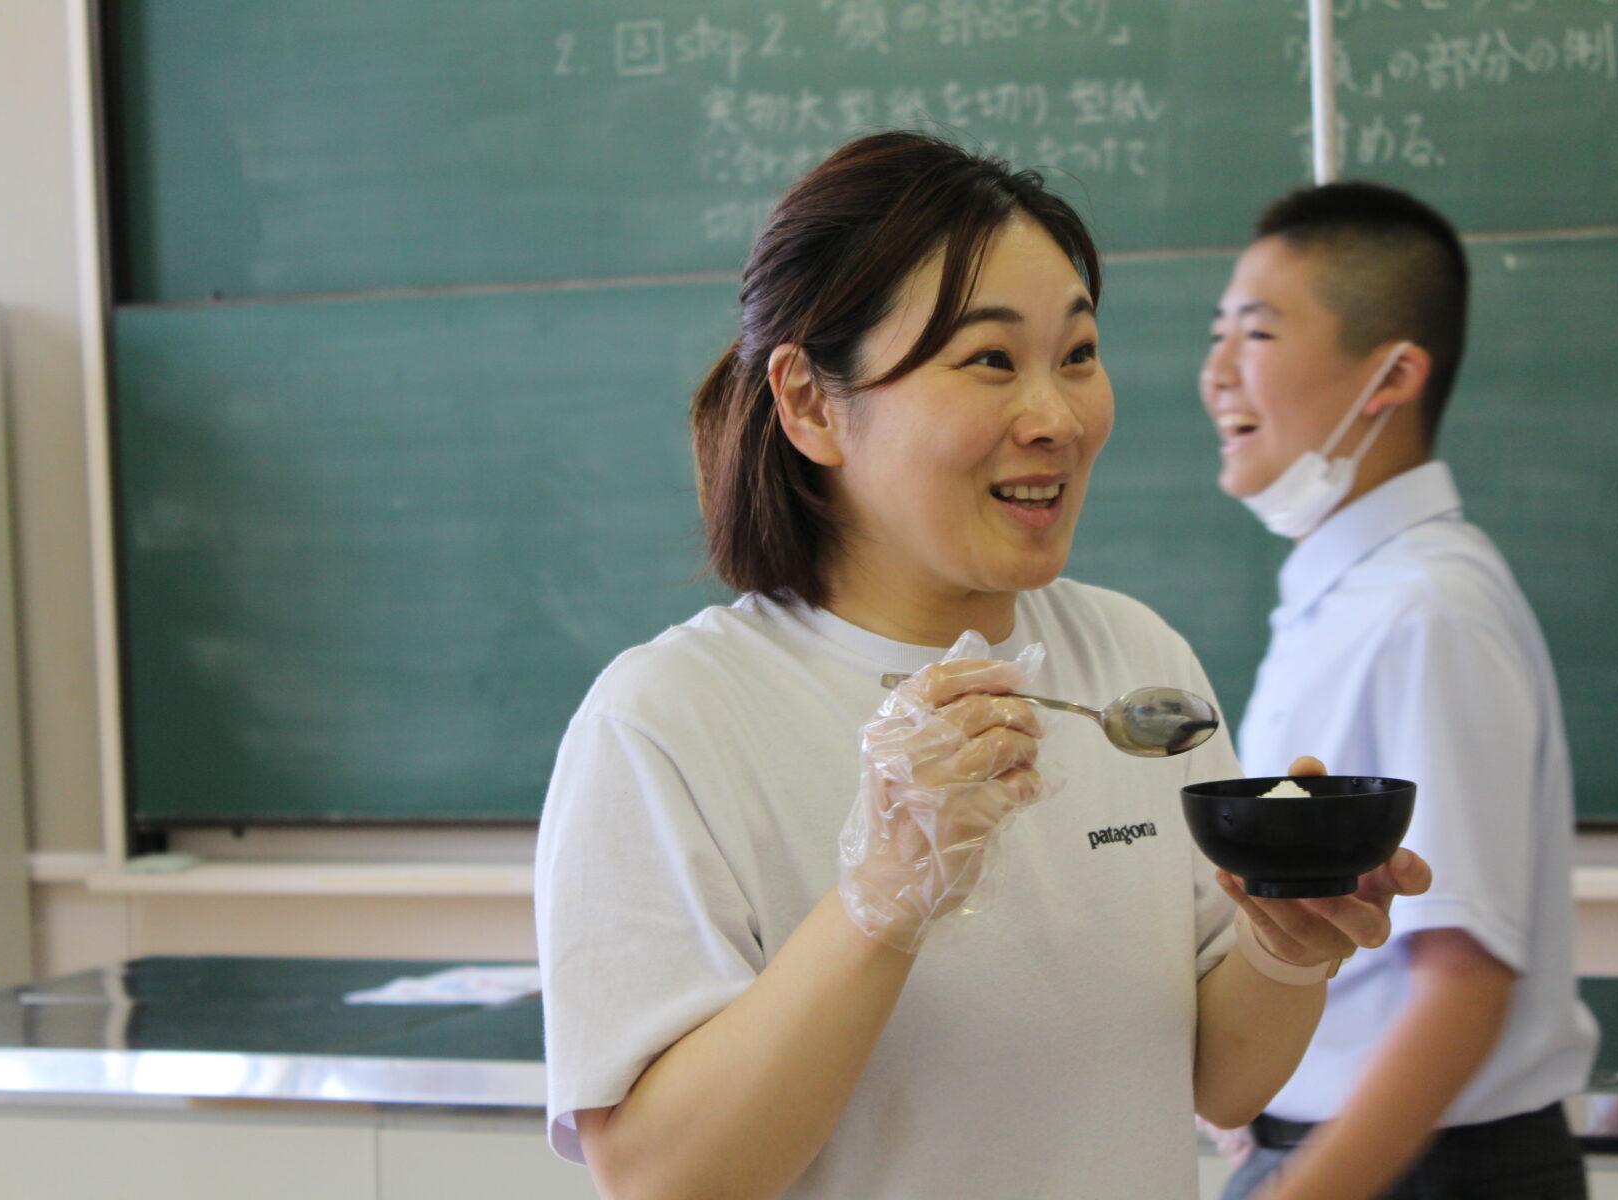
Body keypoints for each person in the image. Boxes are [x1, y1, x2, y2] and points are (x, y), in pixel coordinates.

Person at [534, 131, 1430, 1200]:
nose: (1055, 418)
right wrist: (880, 898)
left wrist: (1289, 942)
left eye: (1079, 356)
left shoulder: (1135, 661)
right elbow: (662, 1176)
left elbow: (1220, 1081)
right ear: (814, 404)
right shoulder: (669, 719)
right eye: (990, 361)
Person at [1198, 181, 1600, 1200]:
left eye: (1256, 335)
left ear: (1392, 376)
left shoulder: (1428, 609)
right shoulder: (1347, 595)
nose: (1216, 377)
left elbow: (1462, 985)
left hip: (1419, 1172)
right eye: (1217, 335)